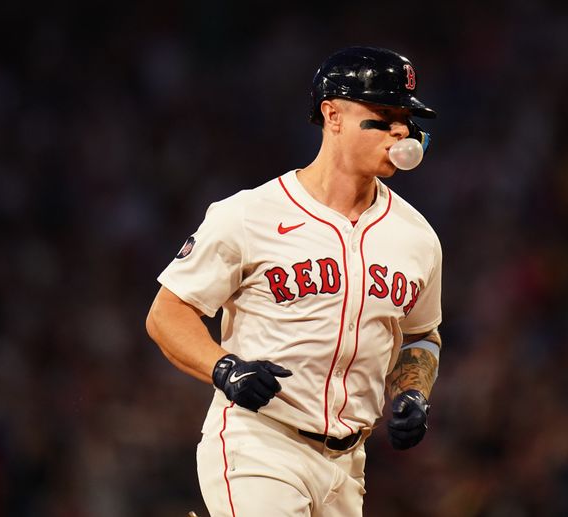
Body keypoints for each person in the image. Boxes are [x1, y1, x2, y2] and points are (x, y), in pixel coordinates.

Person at [145, 46, 444, 517]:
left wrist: (413, 393)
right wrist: (224, 368)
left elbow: (422, 334)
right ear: (333, 115)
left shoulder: (417, 237)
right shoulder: (248, 215)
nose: (401, 130)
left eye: (405, 117)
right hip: (260, 445)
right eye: (384, 114)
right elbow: (167, 314)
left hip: (349, 464)